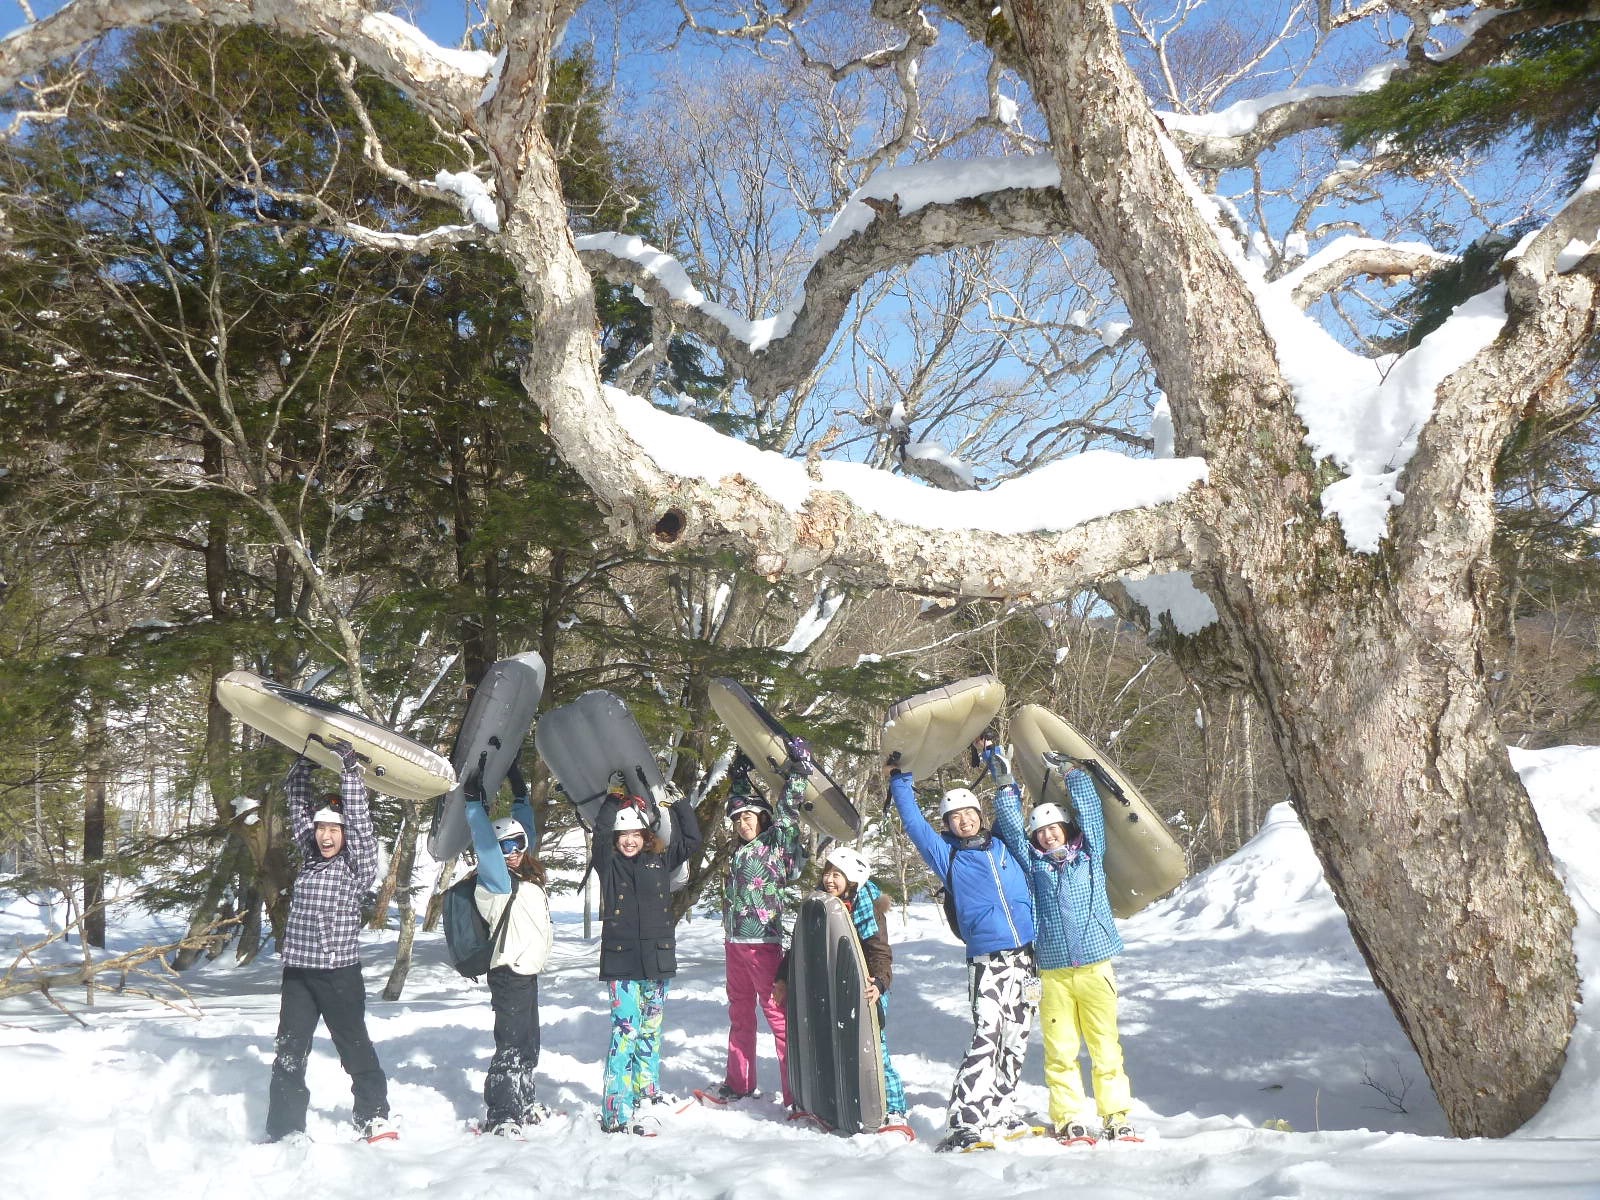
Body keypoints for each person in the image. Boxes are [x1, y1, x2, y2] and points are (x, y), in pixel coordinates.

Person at [987, 741, 1140, 1145]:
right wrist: (1003, 782)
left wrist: (1071, 773)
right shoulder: (1034, 864)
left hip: (1096, 967)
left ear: (1065, 830)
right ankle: (1070, 1115)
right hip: (1053, 973)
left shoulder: (1089, 856)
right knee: (1060, 1050)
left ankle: (1116, 1114)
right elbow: (1012, 833)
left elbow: (1091, 813)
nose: (1048, 835)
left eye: (1054, 828)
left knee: (1106, 1046)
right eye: (1041, 831)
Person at [886, 754, 1037, 1153]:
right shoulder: (948, 856)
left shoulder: (1004, 844)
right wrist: (900, 781)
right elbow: (914, 825)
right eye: (955, 817)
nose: (964, 820)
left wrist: (1000, 767)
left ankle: (1002, 1109)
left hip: (1026, 959)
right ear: (948, 825)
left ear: (978, 814)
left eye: (969, 812)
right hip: (987, 961)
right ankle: (963, 1123)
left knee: (1017, 1036)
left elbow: (1011, 807)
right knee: (987, 1036)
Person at [265, 738, 393, 1144]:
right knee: (289, 1052)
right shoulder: (309, 856)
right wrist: (304, 763)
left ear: (344, 834)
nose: (324, 836)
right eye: (320, 827)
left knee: (354, 1045)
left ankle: (373, 1115)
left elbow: (360, 822)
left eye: (333, 829)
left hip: (339, 974)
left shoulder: (356, 866)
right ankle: (286, 1128)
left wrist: (349, 771)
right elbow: (296, 801)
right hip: (299, 974)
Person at [773, 844, 910, 1134]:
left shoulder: (867, 908)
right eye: (828, 873)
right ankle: (833, 1102)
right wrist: (782, 979)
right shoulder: (818, 905)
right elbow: (797, 946)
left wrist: (880, 983)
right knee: (829, 1045)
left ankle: (895, 1109)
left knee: (875, 1050)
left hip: (865, 990)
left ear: (852, 881)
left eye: (838, 875)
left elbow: (880, 952)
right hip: (828, 988)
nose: (829, 880)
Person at [591, 780, 702, 1135]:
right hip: (622, 962)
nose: (629, 840)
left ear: (645, 835)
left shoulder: (659, 861)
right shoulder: (609, 865)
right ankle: (615, 1109)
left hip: (656, 960)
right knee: (625, 1033)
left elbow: (692, 841)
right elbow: (600, 833)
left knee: (651, 1031)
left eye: (636, 834)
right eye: (623, 835)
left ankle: (647, 1094)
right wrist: (612, 800)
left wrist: (681, 803)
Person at [705, 748, 810, 1108]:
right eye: (737, 820)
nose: (743, 824)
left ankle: (797, 1093)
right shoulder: (740, 850)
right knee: (739, 1014)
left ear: (763, 818)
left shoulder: (775, 846)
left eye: (749, 817)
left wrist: (798, 773)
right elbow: (739, 801)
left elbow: (788, 814)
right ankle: (739, 1082)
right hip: (734, 943)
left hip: (763, 944)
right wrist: (739, 775)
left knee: (778, 1017)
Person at [464, 781, 554, 1139]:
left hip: (527, 973)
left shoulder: (527, 875)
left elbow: (525, 830)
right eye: (505, 847)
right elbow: (485, 846)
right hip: (508, 972)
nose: (513, 852)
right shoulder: (495, 880)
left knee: (529, 1041)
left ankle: (524, 1101)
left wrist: (521, 796)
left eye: (518, 845)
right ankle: (502, 1113)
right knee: (511, 1044)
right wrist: (474, 806)